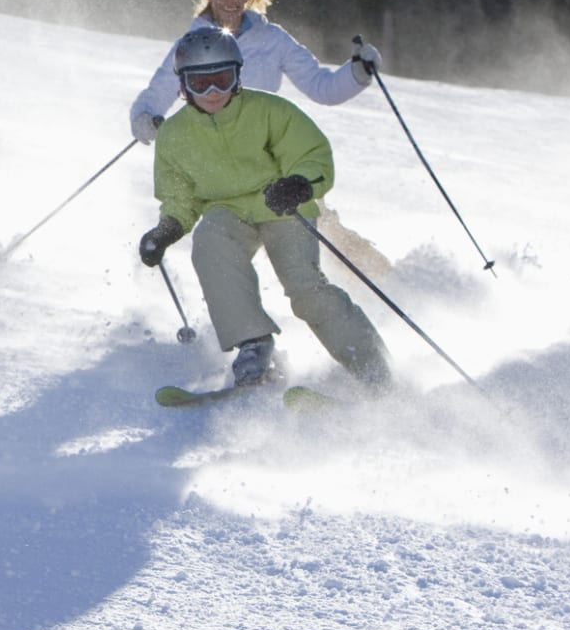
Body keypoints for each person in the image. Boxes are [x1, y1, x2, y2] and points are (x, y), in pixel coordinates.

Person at [137, 28, 393, 393]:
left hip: (282, 206)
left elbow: (312, 155)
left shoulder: (269, 111)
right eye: (200, 83)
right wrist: (167, 229)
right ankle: (254, 346)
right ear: (183, 86)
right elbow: (180, 195)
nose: (212, 93)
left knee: (305, 288)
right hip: (227, 211)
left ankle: (372, 367)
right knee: (210, 239)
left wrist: (300, 184)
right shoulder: (176, 135)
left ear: (238, 76)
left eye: (222, 80)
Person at [129, 0, 389, 275]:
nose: (230, 0)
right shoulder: (191, 44)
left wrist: (358, 73)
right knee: (221, 244)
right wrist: (145, 117)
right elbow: (158, 92)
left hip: (270, 159)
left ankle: (387, 283)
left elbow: (322, 87)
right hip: (219, 164)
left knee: (322, 232)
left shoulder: (272, 39)